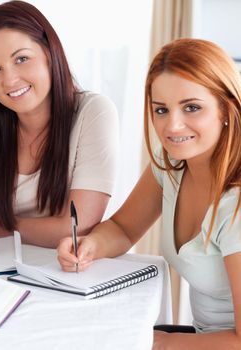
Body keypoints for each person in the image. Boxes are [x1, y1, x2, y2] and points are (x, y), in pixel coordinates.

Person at [58, 38, 241, 349]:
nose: (173, 125)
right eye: (161, 109)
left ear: (226, 107)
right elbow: (124, 228)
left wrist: (162, 343)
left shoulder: (235, 204)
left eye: (191, 107)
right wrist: (90, 246)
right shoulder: (172, 164)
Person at [0, 0, 119, 257]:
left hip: (65, 271)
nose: (9, 80)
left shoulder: (93, 112)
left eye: (21, 59)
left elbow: (77, 227)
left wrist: (2, 225)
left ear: (50, 54)